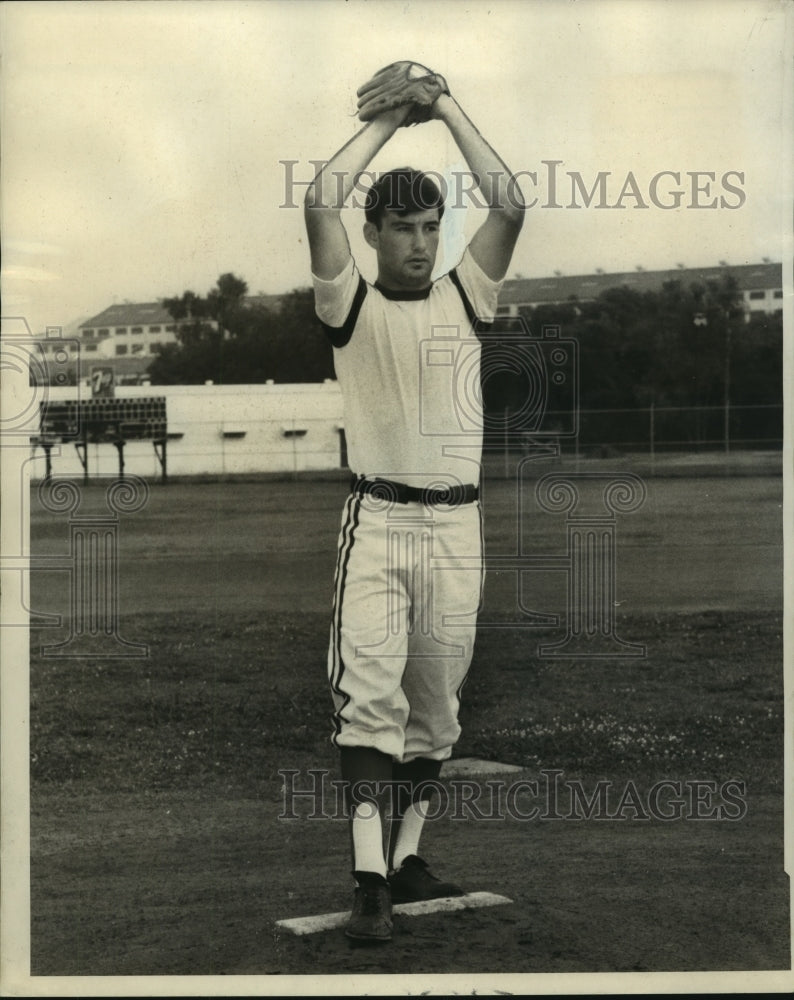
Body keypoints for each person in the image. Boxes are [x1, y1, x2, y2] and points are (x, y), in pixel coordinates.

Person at [304, 70, 524, 943]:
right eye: (404, 228)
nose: (422, 244)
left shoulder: (467, 296)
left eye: (433, 228)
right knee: (369, 696)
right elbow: (319, 198)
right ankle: (367, 881)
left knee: (436, 707)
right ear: (375, 233)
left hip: (457, 524)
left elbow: (511, 200)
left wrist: (449, 106)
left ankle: (407, 858)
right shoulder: (346, 300)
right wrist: (396, 117)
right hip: (379, 522)